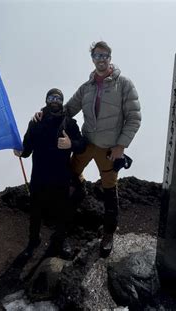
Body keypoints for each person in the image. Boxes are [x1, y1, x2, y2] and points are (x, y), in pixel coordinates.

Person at [34, 41, 141, 257]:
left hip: (109, 149)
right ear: (92, 58)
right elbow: (67, 110)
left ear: (110, 57)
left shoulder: (124, 84)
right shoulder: (87, 87)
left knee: (110, 191)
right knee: (70, 178)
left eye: (105, 55)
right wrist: (44, 113)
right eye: (97, 55)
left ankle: (108, 234)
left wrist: (121, 146)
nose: (101, 59)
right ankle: (69, 214)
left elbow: (134, 117)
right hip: (86, 143)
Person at [14, 88, 86, 257]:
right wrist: (20, 151)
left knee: (63, 210)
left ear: (62, 101)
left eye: (58, 98)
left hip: (61, 176)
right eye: (51, 97)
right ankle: (33, 241)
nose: (54, 100)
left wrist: (70, 144)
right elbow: (27, 150)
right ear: (46, 100)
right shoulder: (36, 122)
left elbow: (82, 145)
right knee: (35, 211)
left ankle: (60, 241)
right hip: (39, 175)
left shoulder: (69, 123)